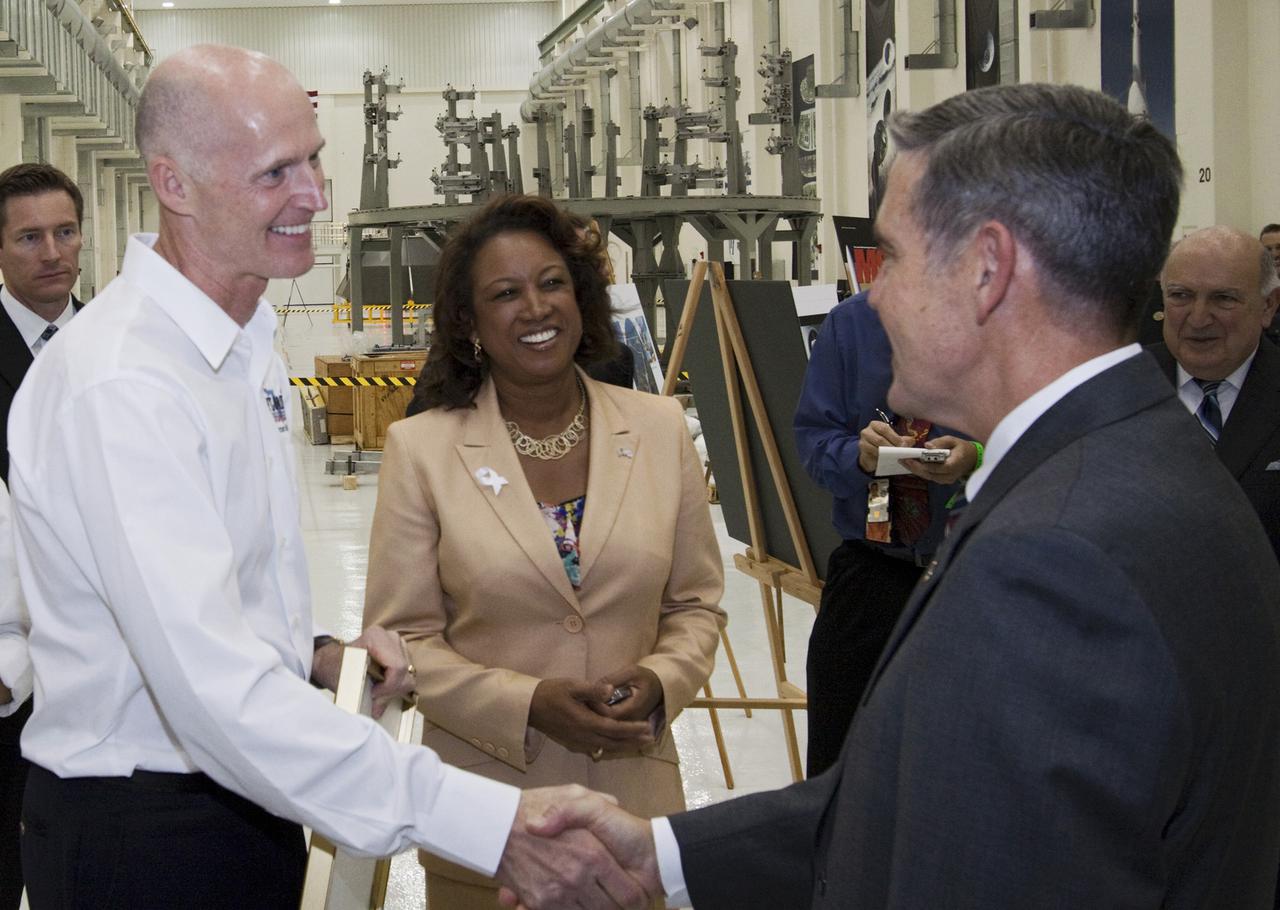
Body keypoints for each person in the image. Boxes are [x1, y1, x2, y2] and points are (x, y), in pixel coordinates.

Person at [506, 83, 1280, 910]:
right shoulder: (1130, 457)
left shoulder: (1057, 556)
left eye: (893, 258)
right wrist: (662, 852)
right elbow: (920, 796)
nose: (873, 295)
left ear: (988, 269)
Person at [7, 45, 650, 910]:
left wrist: (312, 652)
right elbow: (211, 692)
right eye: (276, 172)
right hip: (147, 838)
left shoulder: (244, 349)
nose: (314, 194)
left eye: (312, 157)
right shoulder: (124, 384)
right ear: (176, 184)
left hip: (248, 799)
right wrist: (486, 827)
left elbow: (209, 601)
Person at [364, 193, 725, 909]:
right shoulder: (424, 449)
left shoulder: (658, 430)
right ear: (469, 321)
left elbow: (695, 606)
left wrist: (659, 683)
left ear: (582, 295)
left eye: (552, 283)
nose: (536, 308)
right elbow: (404, 643)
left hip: (635, 824)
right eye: (506, 293)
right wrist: (529, 704)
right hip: (490, 832)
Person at [793, 289, 976, 775]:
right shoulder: (850, 325)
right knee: (840, 772)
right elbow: (812, 439)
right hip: (871, 579)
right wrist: (857, 454)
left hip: (972, 582)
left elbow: (1038, 436)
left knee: (959, 777)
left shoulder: (1005, 319)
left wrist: (975, 457)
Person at [0, 161, 84, 910]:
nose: (52, 252)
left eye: (64, 232)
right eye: (29, 237)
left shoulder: (119, 347)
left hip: (102, 672)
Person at [1147, 226, 1280, 561]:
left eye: (1224, 298)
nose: (1199, 317)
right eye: (1181, 296)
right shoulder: (1115, 388)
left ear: (1268, 306)